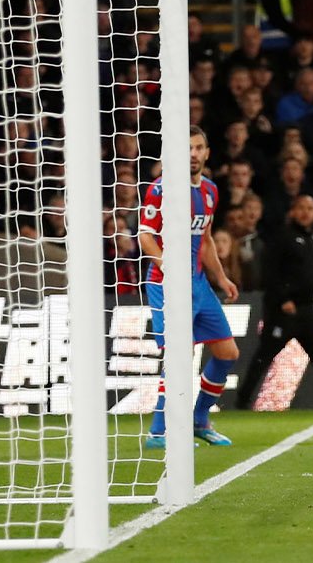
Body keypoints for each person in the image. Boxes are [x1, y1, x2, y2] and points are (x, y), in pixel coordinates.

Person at [138, 126, 241, 448]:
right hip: (166, 284)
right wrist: (166, 265)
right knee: (179, 356)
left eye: (198, 148)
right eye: (187, 148)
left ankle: (199, 420)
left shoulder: (210, 190)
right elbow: (145, 236)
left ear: (207, 153)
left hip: (197, 283)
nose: (193, 154)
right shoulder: (162, 188)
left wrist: (221, 278)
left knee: (227, 353)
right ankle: (159, 432)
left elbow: (206, 239)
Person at [237, 195, 313, 409]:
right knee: (265, 355)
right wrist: (283, 298)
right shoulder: (282, 236)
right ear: (292, 211)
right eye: (301, 207)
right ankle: (242, 400)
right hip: (283, 311)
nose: (306, 212)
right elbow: (270, 271)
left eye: (310, 208)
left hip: (307, 309)